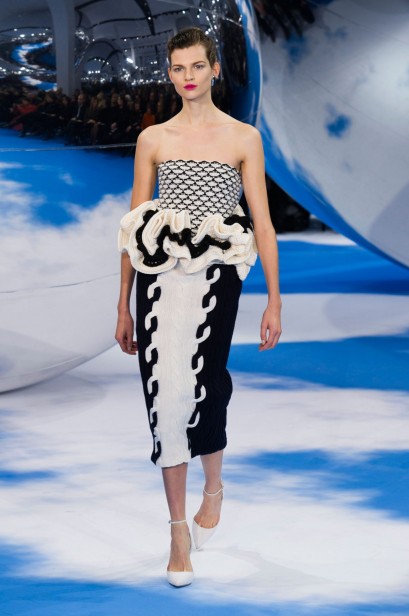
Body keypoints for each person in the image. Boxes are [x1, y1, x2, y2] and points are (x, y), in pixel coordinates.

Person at [115, 27, 281, 588]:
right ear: (169, 74)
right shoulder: (153, 139)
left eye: (196, 66)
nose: (187, 76)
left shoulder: (243, 138)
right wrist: (122, 305)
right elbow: (133, 229)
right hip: (159, 277)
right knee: (163, 394)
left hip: (217, 275)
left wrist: (274, 301)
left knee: (206, 384)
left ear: (215, 70)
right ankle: (177, 531)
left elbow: (262, 223)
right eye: (177, 68)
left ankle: (214, 485)